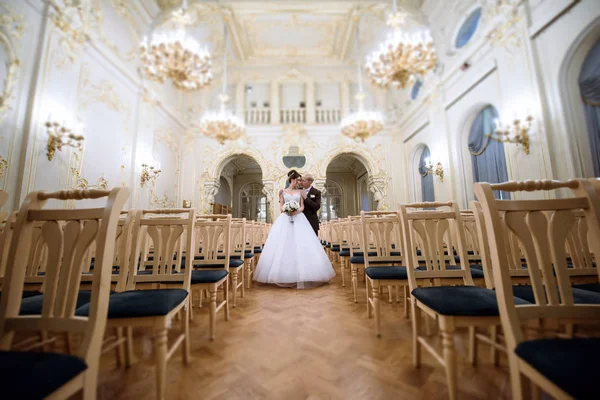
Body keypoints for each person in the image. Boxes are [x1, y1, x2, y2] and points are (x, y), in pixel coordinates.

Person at [253, 170, 335, 289]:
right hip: (285, 219)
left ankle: (305, 273)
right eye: (297, 180)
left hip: (300, 218)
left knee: (302, 245)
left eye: (301, 180)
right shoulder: (282, 191)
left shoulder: (301, 192)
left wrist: (296, 211)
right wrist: (286, 210)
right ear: (292, 180)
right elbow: (281, 206)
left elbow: (302, 206)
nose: (299, 182)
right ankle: (284, 274)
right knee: (284, 244)